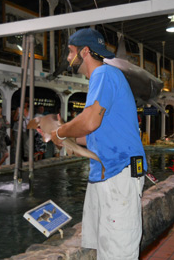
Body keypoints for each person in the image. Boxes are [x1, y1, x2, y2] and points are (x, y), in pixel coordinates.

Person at [51, 28, 147, 260]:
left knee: (117, 252)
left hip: (119, 173)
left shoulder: (104, 74)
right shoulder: (102, 80)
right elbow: (90, 134)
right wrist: (64, 134)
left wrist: (61, 132)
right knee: (104, 248)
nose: (67, 58)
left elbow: (90, 121)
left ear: (84, 51)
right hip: (105, 175)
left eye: (70, 52)